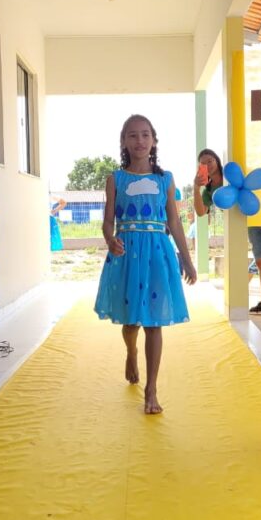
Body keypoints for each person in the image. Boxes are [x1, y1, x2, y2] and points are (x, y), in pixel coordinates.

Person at [94, 114, 197, 414]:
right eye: (132, 135)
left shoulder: (166, 179)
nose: (139, 140)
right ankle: (131, 351)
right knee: (131, 322)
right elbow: (108, 221)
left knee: (154, 322)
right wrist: (110, 239)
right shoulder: (115, 179)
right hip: (127, 255)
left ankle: (151, 389)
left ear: (153, 140)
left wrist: (187, 259)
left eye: (145, 135)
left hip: (158, 255)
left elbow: (174, 222)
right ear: (124, 142)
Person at [193, 148, 261, 314]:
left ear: (217, 161)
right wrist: (195, 188)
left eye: (210, 161)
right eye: (203, 163)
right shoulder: (209, 190)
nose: (208, 165)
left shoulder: (230, 176)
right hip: (249, 223)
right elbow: (201, 212)